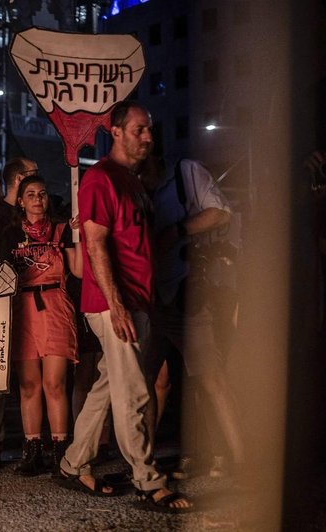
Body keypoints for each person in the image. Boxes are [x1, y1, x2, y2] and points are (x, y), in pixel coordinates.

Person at [57, 101, 193, 512]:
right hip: (113, 304)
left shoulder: (131, 181)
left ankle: (72, 462)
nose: (148, 137)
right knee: (134, 390)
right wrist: (117, 306)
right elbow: (95, 244)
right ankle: (148, 481)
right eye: (139, 130)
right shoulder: (100, 179)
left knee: (107, 386)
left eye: (149, 130)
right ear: (115, 131)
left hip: (137, 301)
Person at [146, 157, 245, 478]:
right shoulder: (133, 186)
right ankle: (143, 462)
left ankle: (239, 461)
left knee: (210, 378)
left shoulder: (183, 172)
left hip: (190, 295)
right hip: (150, 297)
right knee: (151, 382)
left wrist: (178, 230)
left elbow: (220, 212)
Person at [0, 175, 83, 476]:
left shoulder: (62, 229)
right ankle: (32, 450)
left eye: (42, 193)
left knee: (55, 382)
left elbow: (79, 270)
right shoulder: (9, 234)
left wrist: (77, 237)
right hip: (22, 309)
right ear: (20, 201)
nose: (37, 198)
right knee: (28, 384)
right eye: (30, 194)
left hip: (55, 304)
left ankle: (61, 449)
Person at [0, 156, 39, 471]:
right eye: (33, 175)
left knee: (32, 377)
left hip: (31, 302)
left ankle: (35, 444)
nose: (38, 182)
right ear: (19, 178)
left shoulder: (38, 210)